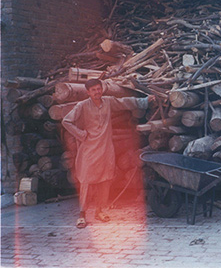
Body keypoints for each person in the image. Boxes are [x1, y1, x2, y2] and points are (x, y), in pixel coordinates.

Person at [62, 79, 154, 229]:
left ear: (101, 89)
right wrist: (81, 134)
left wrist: (144, 101)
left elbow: (125, 102)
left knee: (105, 179)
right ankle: (82, 215)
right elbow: (67, 121)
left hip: (105, 149)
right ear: (88, 92)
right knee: (85, 180)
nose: (97, 92)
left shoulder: (109, 102)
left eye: (98, 89)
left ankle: (100, 210)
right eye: (93, 90)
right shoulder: (82, 106)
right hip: (88, 150)